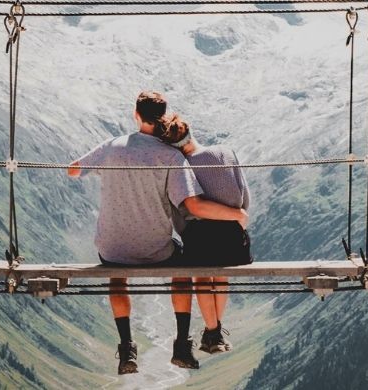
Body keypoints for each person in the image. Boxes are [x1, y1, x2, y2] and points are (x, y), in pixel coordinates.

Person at [67, 91, 248, 375]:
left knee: (116, 274)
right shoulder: (170, 156)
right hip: (156, 249)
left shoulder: (112, 147)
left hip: (112, 247)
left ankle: (127, 347)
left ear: (135, 114)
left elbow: (74, 170)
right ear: (163, 116)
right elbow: (192, 204)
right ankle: (182, 345)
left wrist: (111, 170)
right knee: (183, 267)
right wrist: (237, 215)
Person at [156, 118, 252, 355]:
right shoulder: (225, 152)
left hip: (200, 239)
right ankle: (214, 333)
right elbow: (245, 199)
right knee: (221, 277)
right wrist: (235, 216)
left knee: (201, 277)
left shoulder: (181, 166)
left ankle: (213, 331)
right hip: (235, 239)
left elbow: (184, 210)